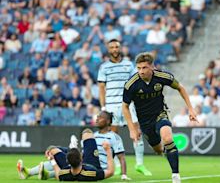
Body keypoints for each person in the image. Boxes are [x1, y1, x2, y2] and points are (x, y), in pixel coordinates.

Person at [122, 52, 198, 183]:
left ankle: (176, 176)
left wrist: (191, 109)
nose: (141, 71)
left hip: (160, 114)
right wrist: (132, 129)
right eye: (138, 68)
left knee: (168, 138)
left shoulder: (162, 76)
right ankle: (166, 152)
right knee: (158, 150)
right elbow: (125, 106)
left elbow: (180, 88)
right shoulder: (131, 84)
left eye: (144, 67)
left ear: (152, 67)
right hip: (144, 121)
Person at [17, 111, 131, 180]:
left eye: (100, 117)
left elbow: (121, 157)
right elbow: (83, 153)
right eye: (97, 117)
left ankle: (48, 173)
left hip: (98, 167)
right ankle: (30, 172)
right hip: (85, 160)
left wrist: (124, 174)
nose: (96, 119)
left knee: (66, 160)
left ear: (107, 121)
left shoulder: (114, 137)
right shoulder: (93, 135)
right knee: (61, 153)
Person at [97, 39, 151, 176]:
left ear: (120, 48)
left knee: (136, 132)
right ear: (109, 50)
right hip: (111, 106)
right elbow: (101, 88)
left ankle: (140, 164)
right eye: (112, 47)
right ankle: (117, 166)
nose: (115, 49)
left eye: (116, 47)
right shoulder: (104, 67)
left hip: (127, 104)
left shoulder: (128, 65)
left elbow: (135, 83)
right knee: (113, 136)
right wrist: (103, 107)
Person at [39, 129, 113, 181]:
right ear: (81, 158)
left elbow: (58, 175)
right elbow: (110, 172)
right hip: (92, 164)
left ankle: (73, 148)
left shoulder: (65, 173)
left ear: (67, 161)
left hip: (73, 168)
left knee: (51, 150)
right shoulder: (91, 173)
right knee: (87, 132)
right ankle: (74, 148)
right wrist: (108, 150)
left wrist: (52, 159)